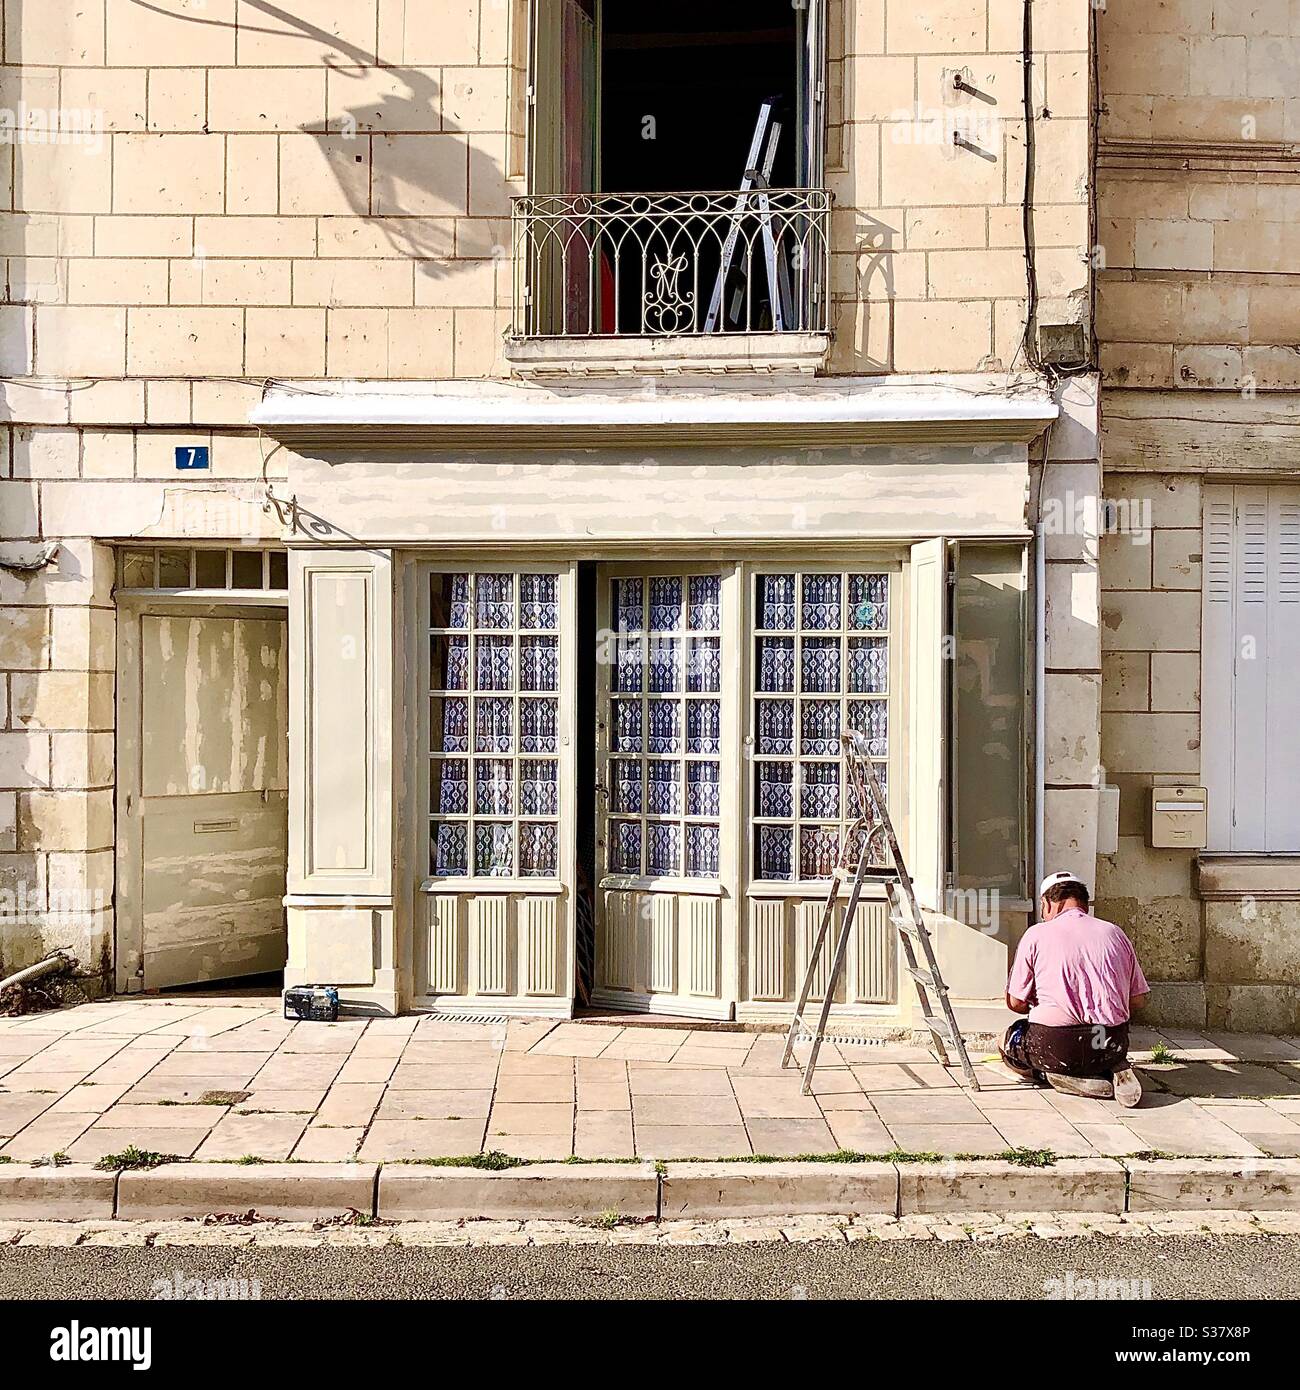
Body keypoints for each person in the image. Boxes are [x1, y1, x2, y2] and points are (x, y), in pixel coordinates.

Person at [999, 871, 1148, 1107]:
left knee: (1009, 1040)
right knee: (1099, 1049)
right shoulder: (1114, 933)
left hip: (1057, 1045)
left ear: (1048, 903)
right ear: (1084, 904)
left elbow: (1015, 1003)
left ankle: (1054, 1075)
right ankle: (1110, 1067)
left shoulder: (1036, 935)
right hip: (1110, 1043)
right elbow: (1138, 1000)